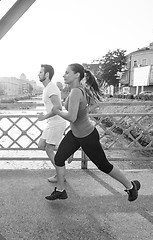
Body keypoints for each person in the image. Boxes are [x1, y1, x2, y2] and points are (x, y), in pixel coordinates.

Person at [45, 63, 140, 201]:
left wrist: (57, 111)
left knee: (103, 165)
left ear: (77, 75)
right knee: (59, 159)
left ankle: (130, 186)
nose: (64, 75)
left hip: (87, 135)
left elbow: (72, 117)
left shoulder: (77, 91)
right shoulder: (76, 90)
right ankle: (60, 190)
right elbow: (84, 109)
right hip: (75, 134)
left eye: (67, 72)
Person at [37, 64, 67, 183]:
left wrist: (44, 116)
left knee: (49, 149)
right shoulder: (46, 88)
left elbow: (58, 107)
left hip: (57, 123)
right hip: (51, 122)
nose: (38, 74)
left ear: (47, 74)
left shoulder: (51, 88)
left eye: (40, 72)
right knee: (41, 145)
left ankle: (60, 175)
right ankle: (67, 152)